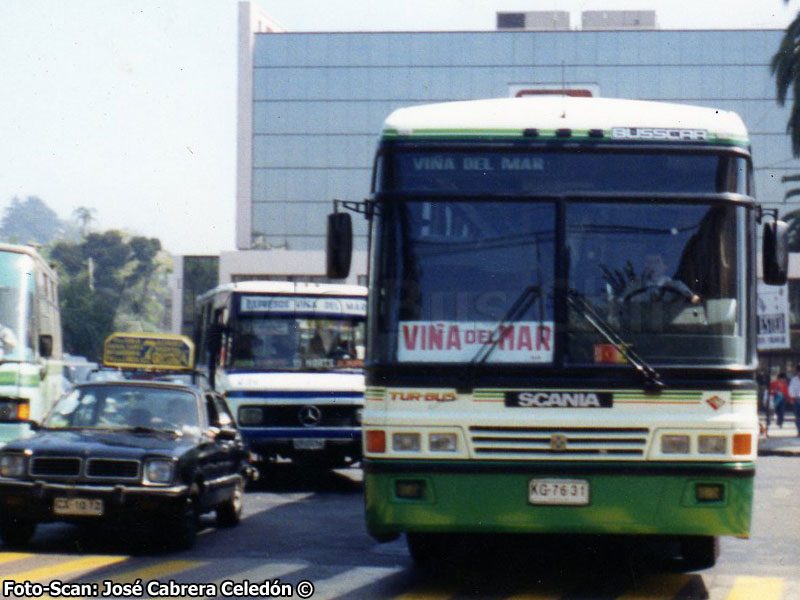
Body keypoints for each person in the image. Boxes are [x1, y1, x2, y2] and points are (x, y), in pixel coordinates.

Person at [790, 365, 800, 437]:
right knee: (797, 417)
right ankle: (799, 431)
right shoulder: (794, 379)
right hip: (797, 399)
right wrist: (792, 398)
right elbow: (791, 389)